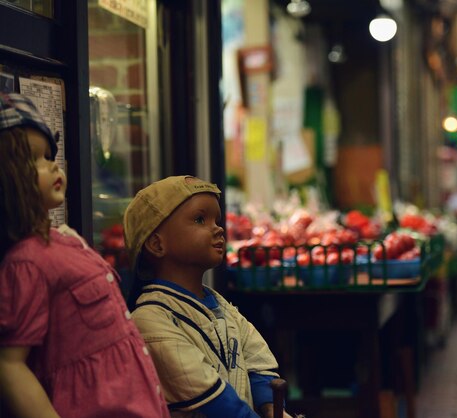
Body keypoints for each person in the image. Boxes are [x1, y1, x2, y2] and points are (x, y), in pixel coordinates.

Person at [0, 93, 170, 418]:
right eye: (33, 158)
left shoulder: (65, 243)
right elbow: (9, 366)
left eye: (49, 154)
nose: (51, 164)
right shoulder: (26, 263)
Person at [124, 176, 294, 418]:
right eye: (200, 219)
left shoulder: (223, 306)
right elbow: (215, 401)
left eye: (217, 220)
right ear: (156, 244)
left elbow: (258, 364)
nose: (218, 228)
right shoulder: (150, 320)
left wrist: (272, 410)